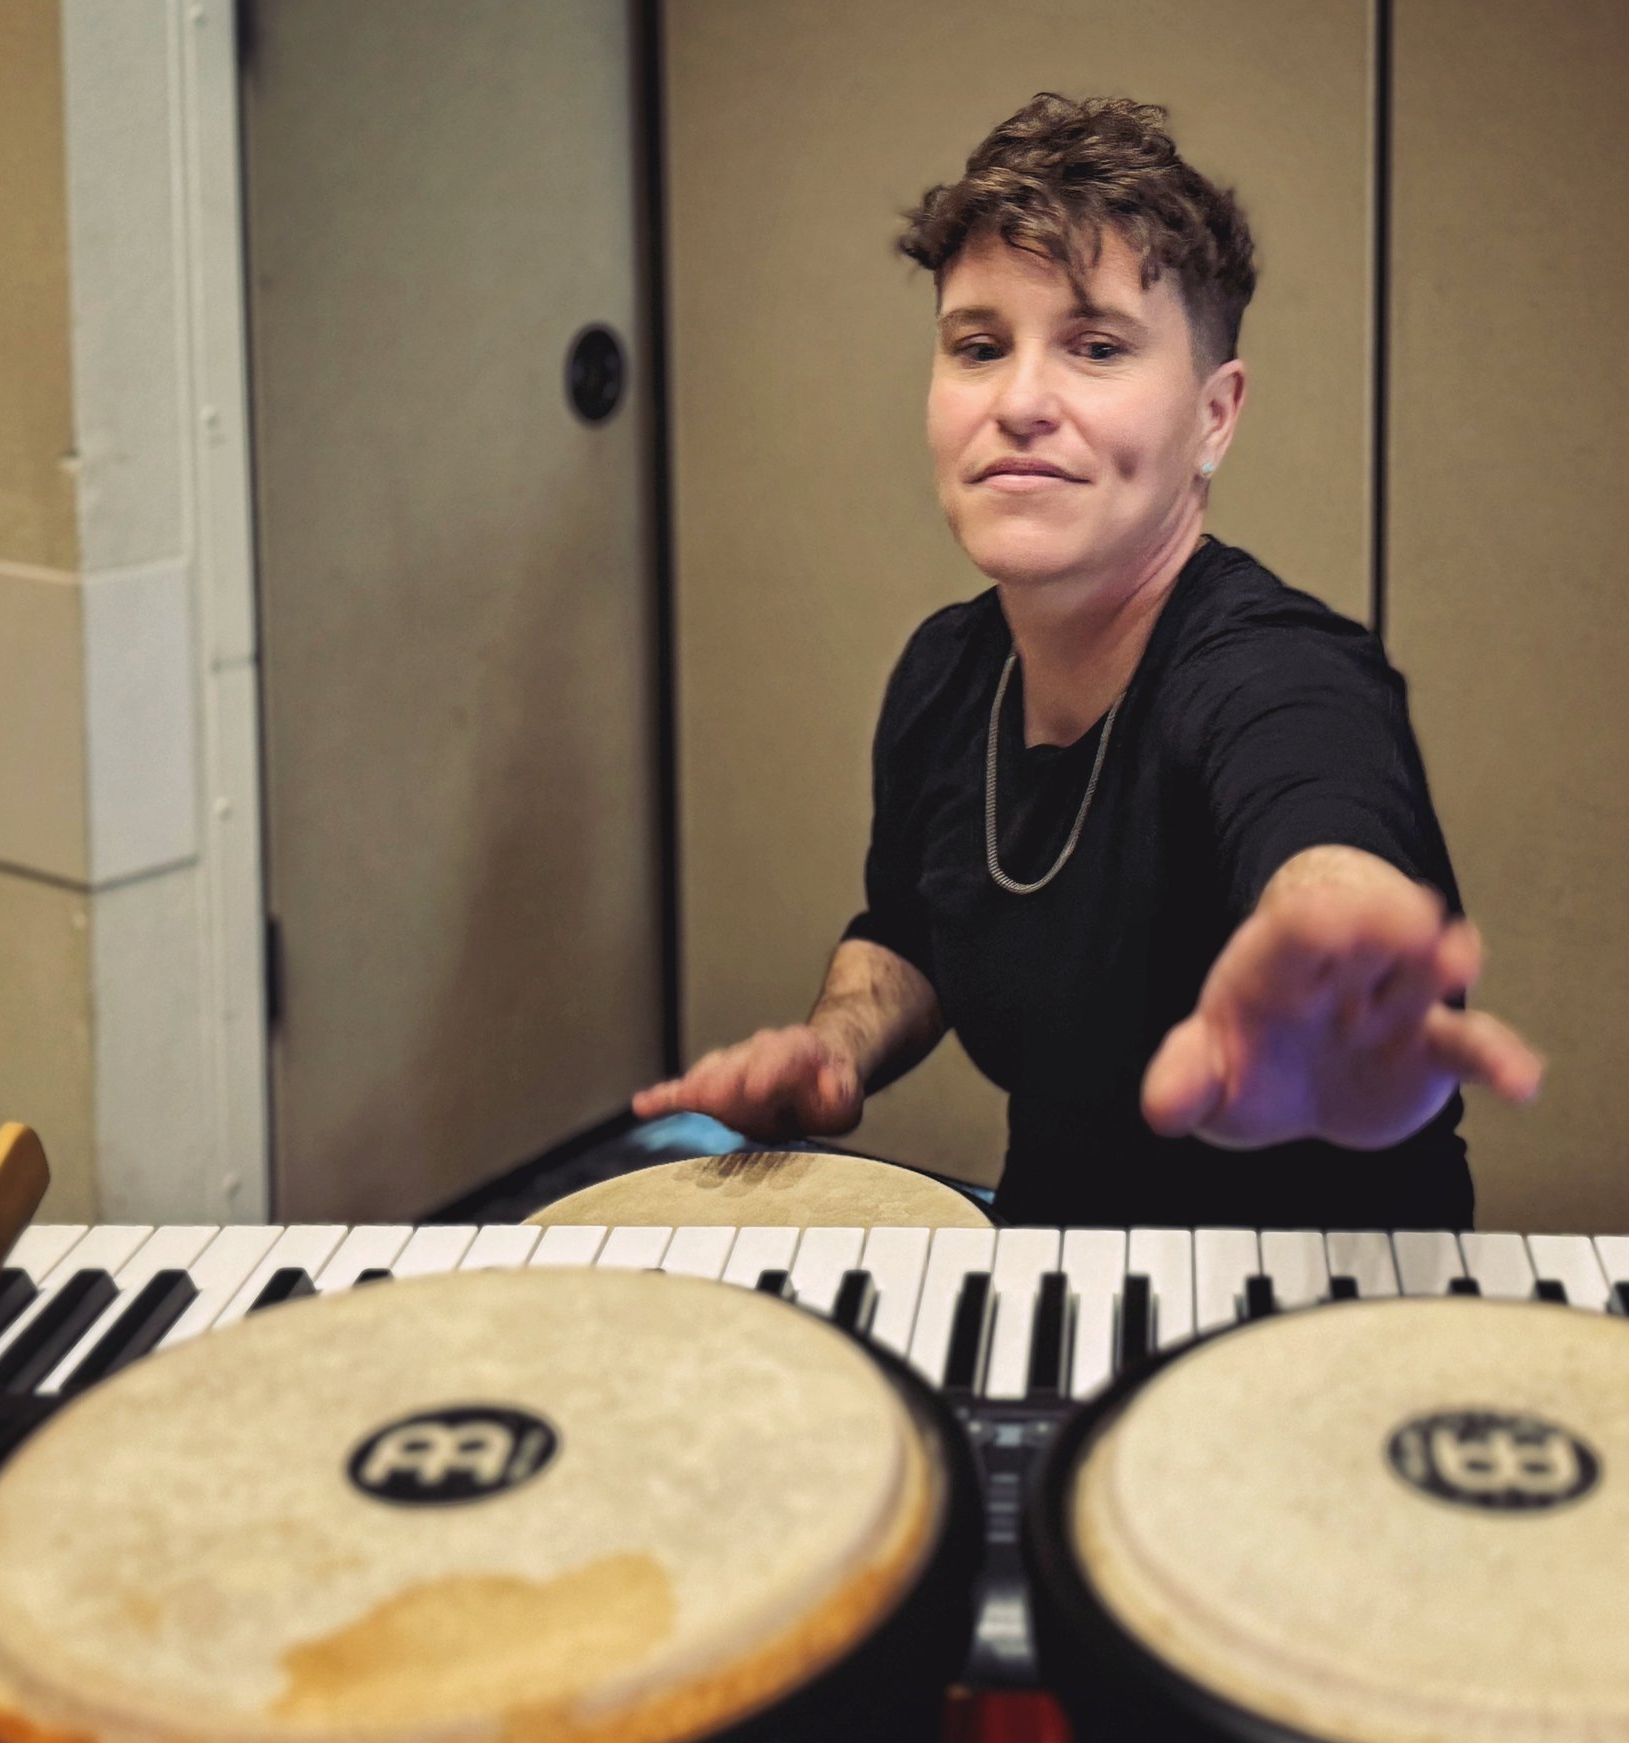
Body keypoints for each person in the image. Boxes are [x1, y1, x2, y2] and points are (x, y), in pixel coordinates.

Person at [635, 94, 1539, 1228]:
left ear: (1215, 416)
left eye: (1096, 347)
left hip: (1316, 1318)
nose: (1018, 402)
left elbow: (1321, 833)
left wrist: (1330, 973)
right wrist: (834, 1050)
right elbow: (912, 928)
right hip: (1056, 1279)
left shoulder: (1276, 672)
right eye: (977, 347)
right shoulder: (945, 671)